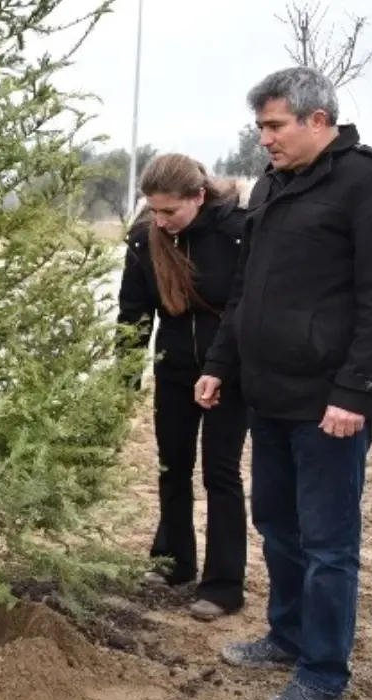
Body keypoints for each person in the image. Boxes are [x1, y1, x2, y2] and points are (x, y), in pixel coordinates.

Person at [196, 67, 372, 700]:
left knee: (328, 541)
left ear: (317, 120)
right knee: (278, 525)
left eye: (274, 125)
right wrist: (220, 363)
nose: (264, 138)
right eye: (260, 126)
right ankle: (287, 634)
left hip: (331, 407)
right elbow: (245, 291)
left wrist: (354, 390)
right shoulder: (272, 187)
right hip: (269, 396)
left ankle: (322, 671)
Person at [118, 154, 249, 622]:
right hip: (173, 371)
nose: (160, 220)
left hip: (228, 374)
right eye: (153, 210)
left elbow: (241, 307)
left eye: (170, 211)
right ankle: (173, 561)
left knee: (221, 473)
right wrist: (124, 377)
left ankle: (224, 583)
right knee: (172, 467)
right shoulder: (144, 238)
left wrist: (218, 367)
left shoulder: (237, 231)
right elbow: (133, 312)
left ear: (198, 196)